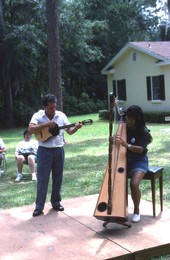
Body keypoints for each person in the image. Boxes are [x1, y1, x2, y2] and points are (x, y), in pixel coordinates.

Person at [29, 93, 82, 217]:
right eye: (50, 108)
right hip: (44, 151)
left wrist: (77, 128)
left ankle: (56, 202)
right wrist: (47, 125)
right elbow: (31, 129)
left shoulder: (61, 115)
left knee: (58, 177)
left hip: (59, 150)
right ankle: (39, 206)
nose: (53, 110)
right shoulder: (38, 115)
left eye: (54, 107)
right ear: (44, 107)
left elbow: (69, 131)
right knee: (43, 179)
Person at [112, 105, 152, 223]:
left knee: (134, 184)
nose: (129, 121)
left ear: (137, 119)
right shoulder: (123, 127)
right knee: (115, 181)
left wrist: (127, 145)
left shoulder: (143, 131)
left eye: (132, 119)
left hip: (139, 161)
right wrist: (113, 140)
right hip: (124, 160)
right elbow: (117, 143)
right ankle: (118, 209)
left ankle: (136, 211)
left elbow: (141, 150)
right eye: (128, 118)